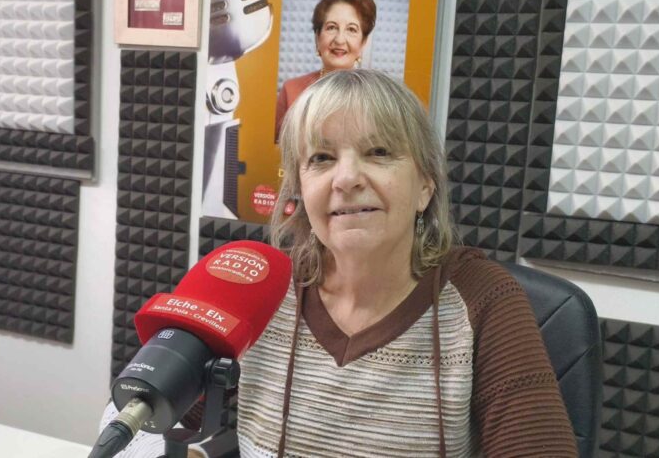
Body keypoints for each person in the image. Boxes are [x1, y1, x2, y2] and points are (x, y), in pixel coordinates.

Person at [100, 70, 577, 457]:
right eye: (322, 158)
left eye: (379, 152)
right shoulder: (258, 287)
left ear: (425, 186)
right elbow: (133, 424)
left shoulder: (482, 299)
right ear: (300, 188)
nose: (346, 178)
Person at [274, 0, 377, 142]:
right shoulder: (291, 90)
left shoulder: (376, 98)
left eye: (351, 29)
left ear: (363, 43)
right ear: (317, 37)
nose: (340, 39)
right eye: (331, 27)